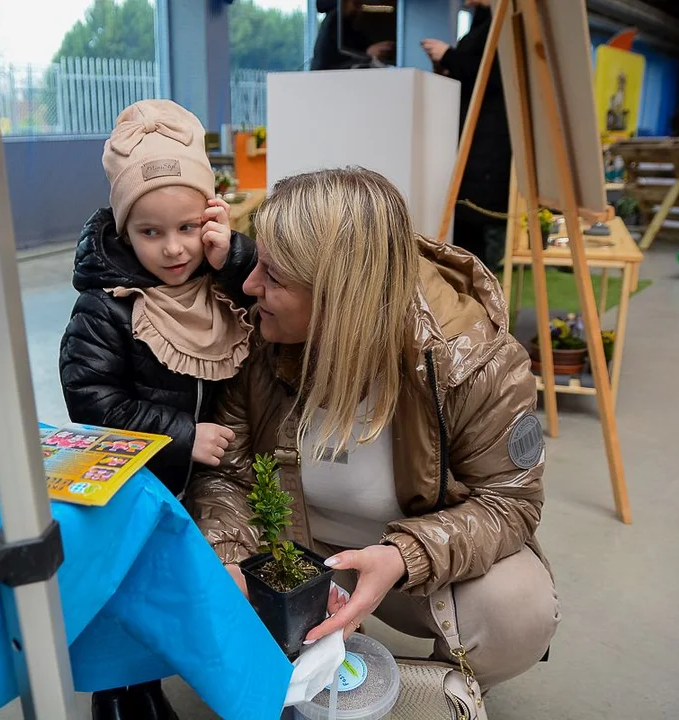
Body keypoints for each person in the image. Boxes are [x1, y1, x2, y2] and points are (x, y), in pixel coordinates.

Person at [187, 168, 559, 690]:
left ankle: (436, 691)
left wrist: (404, 557)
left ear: (340, 298)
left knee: (517, 610)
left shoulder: (478, 363)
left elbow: (509, 502)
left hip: (408, 560)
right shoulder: (259, 336)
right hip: (294, 546)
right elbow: (228, 474)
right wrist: (230, 561)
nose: (249, 286)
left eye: (273, 276)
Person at [59, 99, 256, 720]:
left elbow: (271, 298)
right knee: (124, 584)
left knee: (173, 585)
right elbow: (90, 398)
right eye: (150, 232)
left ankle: (160, 673)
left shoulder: (221, 283)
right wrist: (181, 434)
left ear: (211, 218)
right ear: (124, 231)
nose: (174, 249)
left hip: (203, 480)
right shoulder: (108, 306)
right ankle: (121, 694)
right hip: (134, 477)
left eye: (189, 228)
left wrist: (236, 257)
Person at [421, 0, 511, 272]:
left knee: (479, 220)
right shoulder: (482, 22)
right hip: (471, 134)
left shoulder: (503, 23)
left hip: (488, 139)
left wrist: (448, 55)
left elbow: (494, 76)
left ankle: (483, 292)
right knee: (466, 226)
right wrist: (444, 64)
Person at [311, 0, 395, 71]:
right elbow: (333, 62)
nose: (359, 9)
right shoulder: (336, 22)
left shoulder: (345, 24)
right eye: (356, 3)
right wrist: (368, 54)